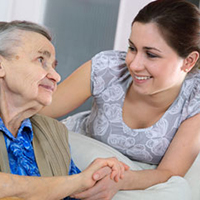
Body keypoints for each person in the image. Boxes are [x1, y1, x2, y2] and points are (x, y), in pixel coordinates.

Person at [40, 0, 200, 199]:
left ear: (189, 61)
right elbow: (37, 110)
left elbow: (167, 173)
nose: (134, 64)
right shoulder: (108, 67)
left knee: (177, 192)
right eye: (132, 48)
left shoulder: (196, 97)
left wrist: (118, 179)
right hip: (83, 156)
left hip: (141, 177)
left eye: (151, 54)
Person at [0, 20, 129, 200]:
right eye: (41, 60)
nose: (56, 76)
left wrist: (97, 177)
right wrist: (77, 182)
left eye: (54, 66)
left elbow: (73, 193)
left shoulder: (53, 132)